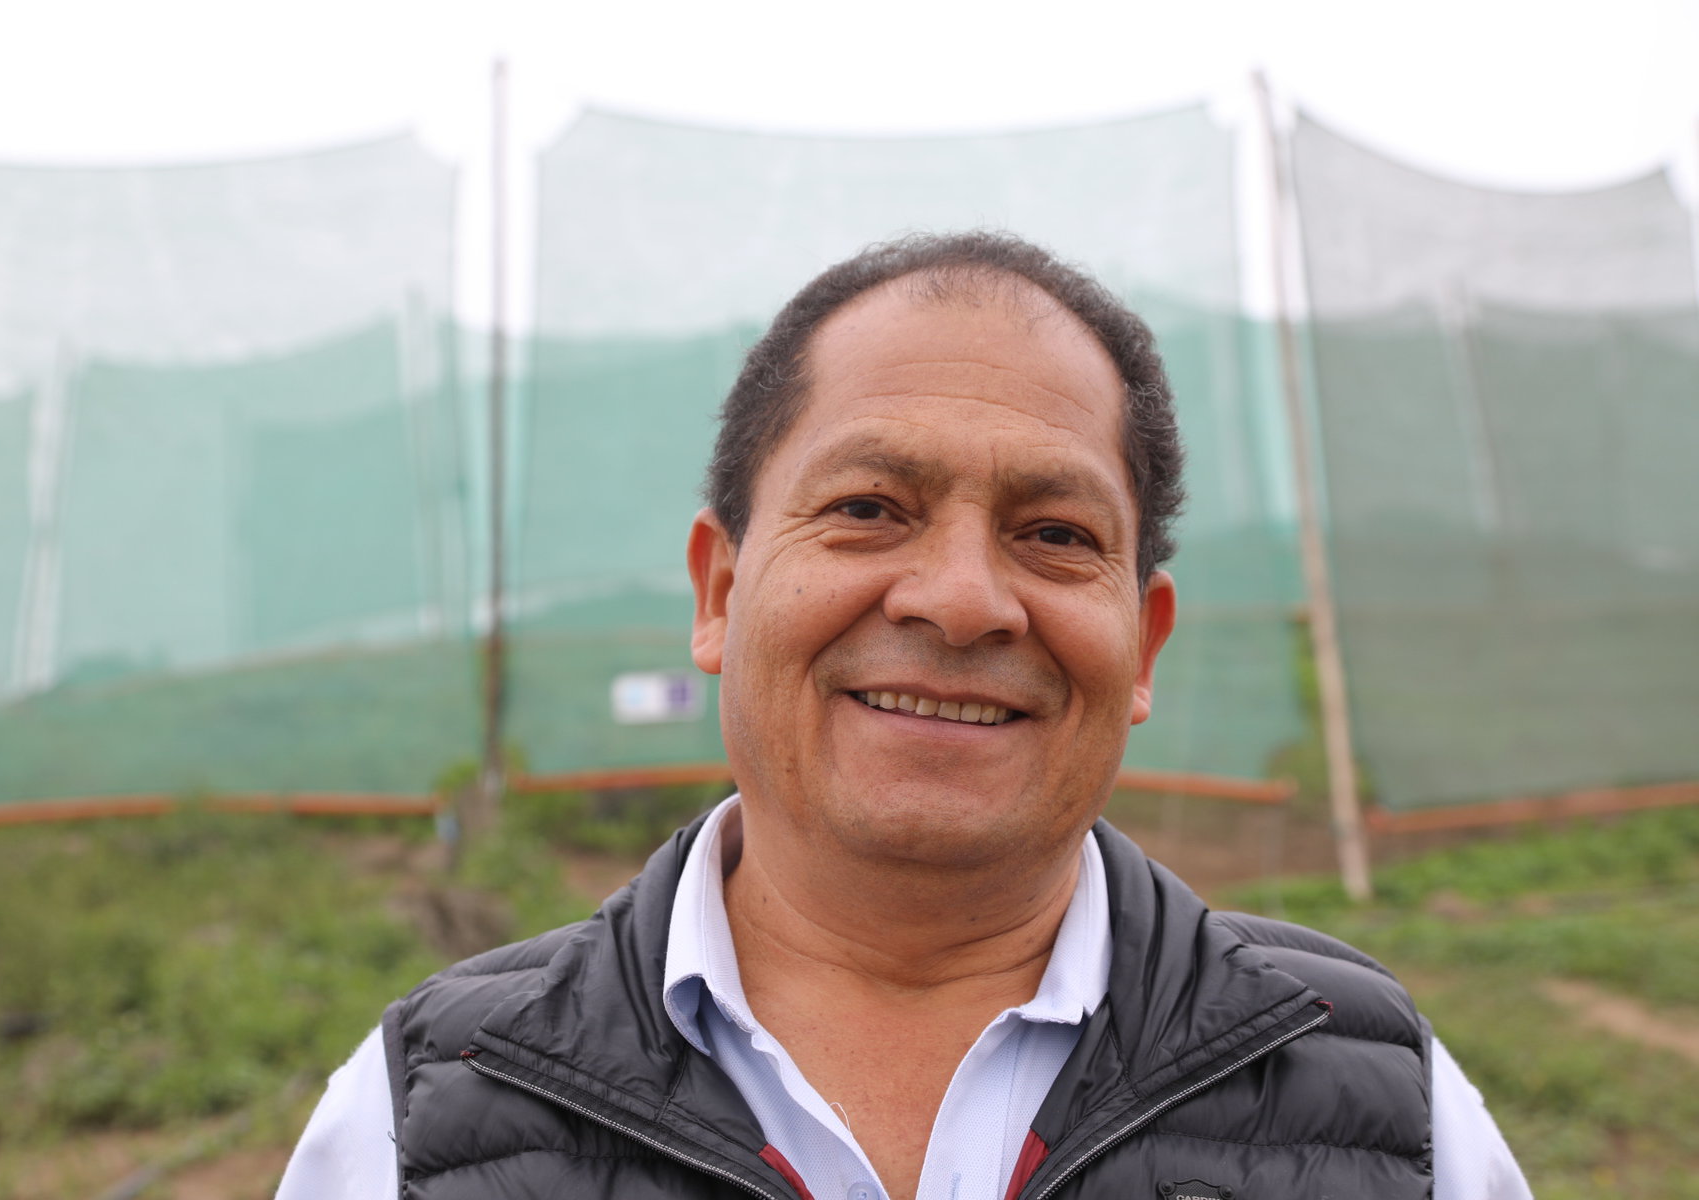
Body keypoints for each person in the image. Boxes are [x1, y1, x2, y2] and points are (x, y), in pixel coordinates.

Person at [277, 232, 1530, 1199]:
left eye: (1054, 534)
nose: (963, 601)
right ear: (720, 593)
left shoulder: (1389, 1112)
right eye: (871, 507)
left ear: (1142, 646)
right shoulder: (421, 1122)